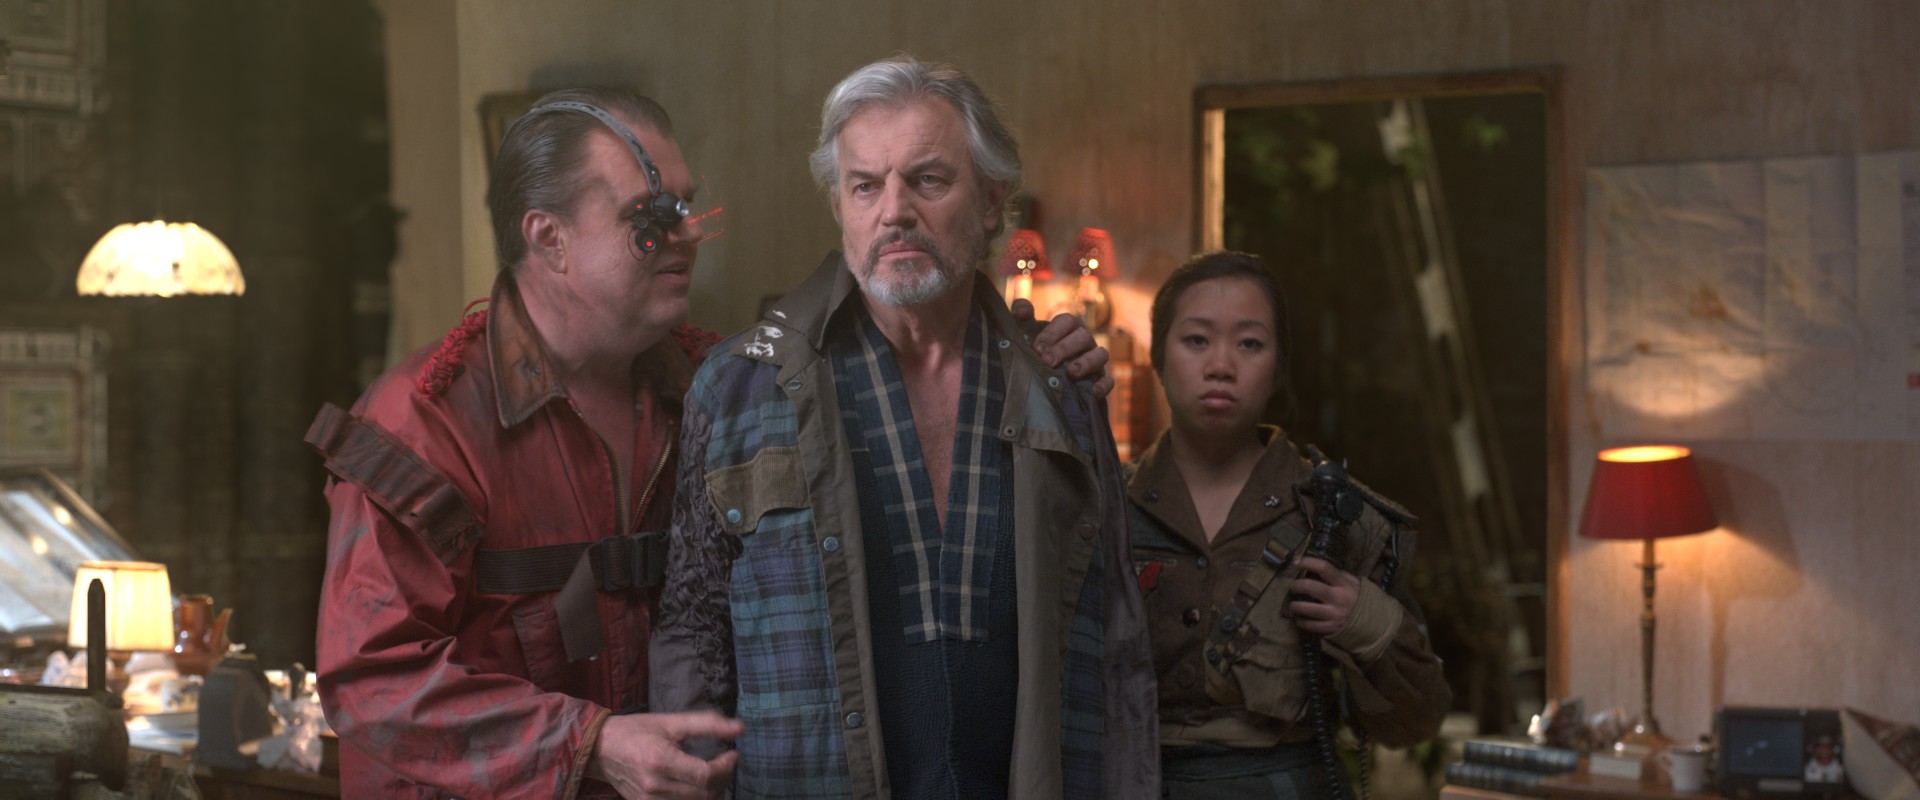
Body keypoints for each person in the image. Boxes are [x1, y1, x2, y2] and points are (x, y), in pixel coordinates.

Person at [305, 84, 1116, 799]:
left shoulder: (724, 385)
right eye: (651, 218)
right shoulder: (424, 419)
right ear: (548, 238)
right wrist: (591, 745)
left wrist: (1028, 352)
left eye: (688, 208)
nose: (689, 234)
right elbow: (372, 680)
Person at [649, 56, 1158, 800]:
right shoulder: (738, 388)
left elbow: (1117, 641)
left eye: (928, 179)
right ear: (839, 205)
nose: (894, 211)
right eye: (866, 185)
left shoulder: (1060, 388)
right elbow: (693, 633)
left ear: (992, 202)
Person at [1125, 251, 1450, 798]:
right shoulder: (1107, 507)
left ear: (1278, 368)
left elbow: (1417, 720)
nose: (1221, 365)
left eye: (1249, 344)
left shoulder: (1334, 516)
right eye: (1197, 340)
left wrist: (1364, 621)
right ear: (1158, 357)